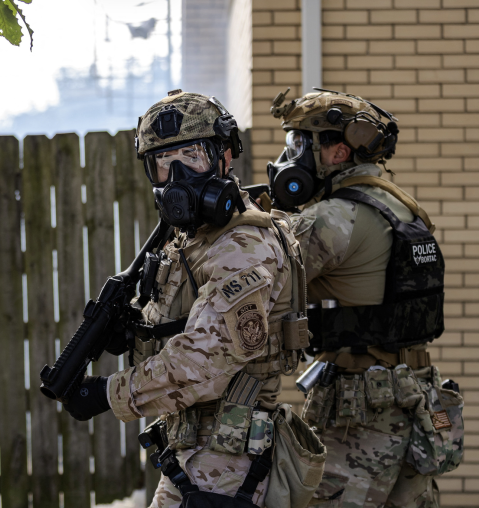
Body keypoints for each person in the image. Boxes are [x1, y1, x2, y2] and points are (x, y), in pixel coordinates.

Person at [61, 90, 324, 508]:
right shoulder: (200, 240)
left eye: (191, 155)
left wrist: (108, 394)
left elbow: (204, 362)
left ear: (224, 156)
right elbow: (183, 326)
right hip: (201, 454)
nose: (178, 174)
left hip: (228, 461)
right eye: (164, 162)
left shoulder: (242, 243)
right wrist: (134, 335)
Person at [266, 88, 463, 507]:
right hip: (414, 398)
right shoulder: (400, 206)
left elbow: (259, 281)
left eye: (300, 143)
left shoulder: (334, 217)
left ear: (338, 151)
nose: (292, 156)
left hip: (358, 414)